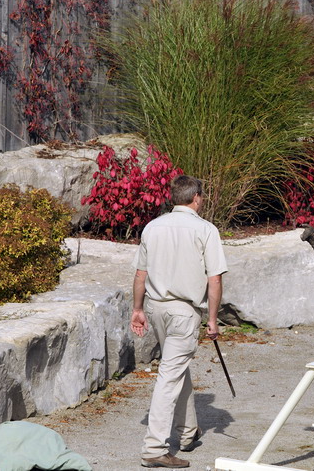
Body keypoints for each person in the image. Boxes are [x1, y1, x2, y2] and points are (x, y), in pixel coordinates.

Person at [130, 175, 227, 469]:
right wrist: (212, 319)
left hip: (156, 308)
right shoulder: (206, 230)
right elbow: (215, 278)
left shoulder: (152, 227)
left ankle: (187, 432)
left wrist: (137, 309)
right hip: (184, 312)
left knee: (176, 368)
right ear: (196, 197)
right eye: (203, 196)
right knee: (169, 375)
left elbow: (140, 274)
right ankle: (153, 449)